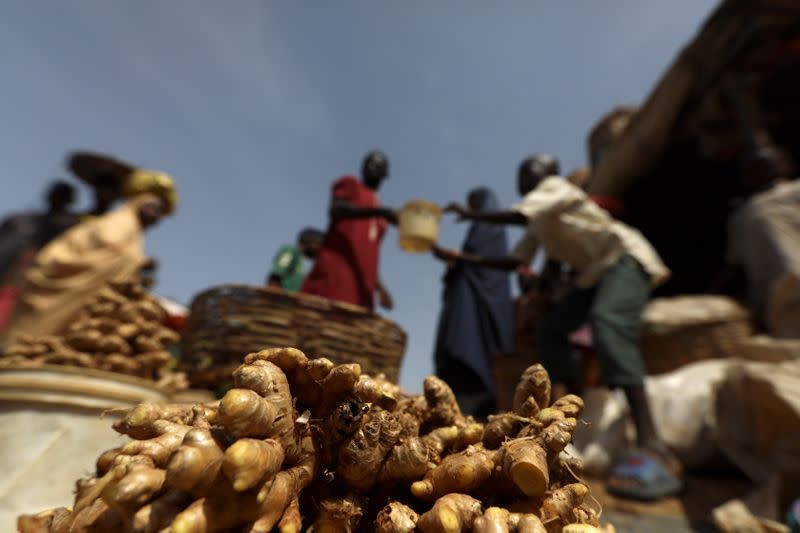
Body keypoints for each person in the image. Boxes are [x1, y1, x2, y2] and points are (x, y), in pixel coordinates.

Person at [436, 154, 680, 500]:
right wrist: (463, 260)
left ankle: (652, 443)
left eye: (530, 171)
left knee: (608, 322)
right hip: (595, 273)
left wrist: (470, 214)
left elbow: (519, 215)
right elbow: (514, 261)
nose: (523, 177)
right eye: (521, 172)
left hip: (624, 258)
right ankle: (577, 414)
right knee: (551, 330)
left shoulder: (555, 190)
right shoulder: (543, 217)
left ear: (549, 175)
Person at [1, 170, 177, 343]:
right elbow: (112, 251)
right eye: (153, 208)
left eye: (159, 213)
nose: (155, 216)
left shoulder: (133, 235)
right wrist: (134, 262)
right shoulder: (119, 224)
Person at [432, 187, 513, 418]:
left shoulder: (489, 226)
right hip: (467, 300)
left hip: (476, 307)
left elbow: (483, 263)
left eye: (475, 203)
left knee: (471, 350)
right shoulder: (481, 226)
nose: (472, 208)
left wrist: (456, 258)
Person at [711, 145, 800, 338]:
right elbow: (734, 264)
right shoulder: (746, 214)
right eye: (758, 166)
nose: (768, 167)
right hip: (784, 294)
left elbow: (733, 265)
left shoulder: (750, 211)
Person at [301, 151, 397, 311]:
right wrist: (379, 211)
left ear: (385, 174)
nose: (372, 167)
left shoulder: (381, 220)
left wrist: (379, 287)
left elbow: (366, 254)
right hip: (336, 275)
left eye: (378, 165)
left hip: (362, 286)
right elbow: (336, 208)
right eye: (369, 163)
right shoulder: (351, 185)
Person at [0, 181, 80, 332]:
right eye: (55, 194)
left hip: (26, 285)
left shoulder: (67, 229)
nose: (56, 198)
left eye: (62, 196)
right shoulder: (20, 220)